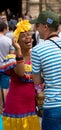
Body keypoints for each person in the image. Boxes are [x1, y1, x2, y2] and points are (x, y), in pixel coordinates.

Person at [0, 20, 41, 130]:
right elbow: (21, 73)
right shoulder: (12, 57)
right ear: (16, 41)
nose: (28, 38)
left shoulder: (36, 57)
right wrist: (18, 50)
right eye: (23, 36)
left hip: (31, 106)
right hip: (15, 105)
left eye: (29, 35)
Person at [31, 11, 61, 130]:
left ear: (45, 27)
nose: (36, 29)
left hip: (54, 107)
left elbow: (37, 82)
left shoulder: (38, 50)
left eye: (37, 25)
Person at [0, 21, 15, 109]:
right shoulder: (8, 40)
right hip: (5, 67)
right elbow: (12, 55)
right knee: (5, 88)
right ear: (5, 29)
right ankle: (5, 107)